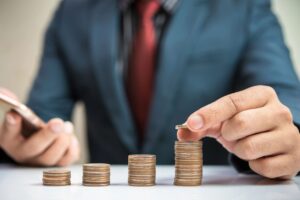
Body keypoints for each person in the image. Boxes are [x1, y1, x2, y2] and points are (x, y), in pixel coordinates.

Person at [0, 0, 300, 179]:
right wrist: (25, 144)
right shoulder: (73, 12)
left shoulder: (245, 7)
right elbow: (44, 116)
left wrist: (289, 137)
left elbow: (284, 99)